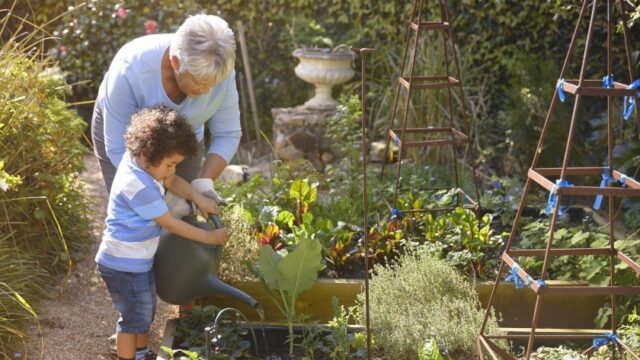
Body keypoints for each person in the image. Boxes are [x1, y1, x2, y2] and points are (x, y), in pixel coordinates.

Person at [96, 106, 229, 360]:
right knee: (132, 318)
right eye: (170, 164)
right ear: (148, 153)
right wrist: (210, 238)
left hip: (137, 259)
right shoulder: (138, 185)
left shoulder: (142, 161)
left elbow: (171, 182)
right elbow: (171, 223)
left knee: (145, 311)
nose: (172, 171)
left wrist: (197, 197)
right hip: (123, 263)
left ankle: (142, 353)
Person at [91, 13, 241, 199]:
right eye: (199, 82)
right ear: (176, 62)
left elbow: (228, 134)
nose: (206, 90)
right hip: (127, 144)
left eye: (213, 83)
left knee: (185, 216)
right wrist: (161, 195)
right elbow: (118, 149)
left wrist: (201, 183)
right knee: (138, 217)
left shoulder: (220, 71)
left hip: (185, 138)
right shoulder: (131, 68)